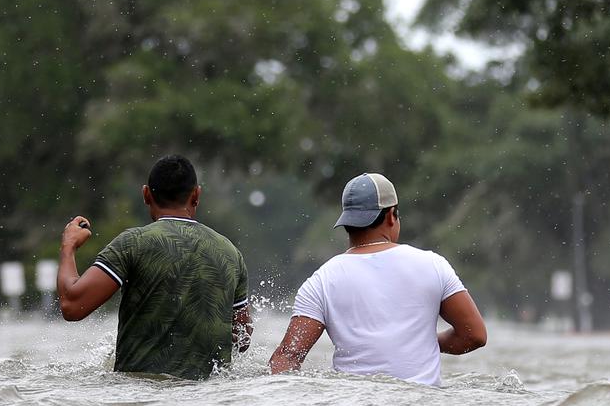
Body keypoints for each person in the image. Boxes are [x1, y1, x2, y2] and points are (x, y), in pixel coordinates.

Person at [269, 172, 486, 386]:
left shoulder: (321, 281)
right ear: (392, 215)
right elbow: (474, 335)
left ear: (347, 220)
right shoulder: (433, 265)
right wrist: (425, 342)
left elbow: (287, 357)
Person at [56, 154, 252, 380]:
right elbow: (242, 338)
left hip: (143, 399)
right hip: (209, 402)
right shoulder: (229, 252)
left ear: (146, 194)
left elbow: (72, 306)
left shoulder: (133, 243)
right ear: (196, 194)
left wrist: (68, 246)